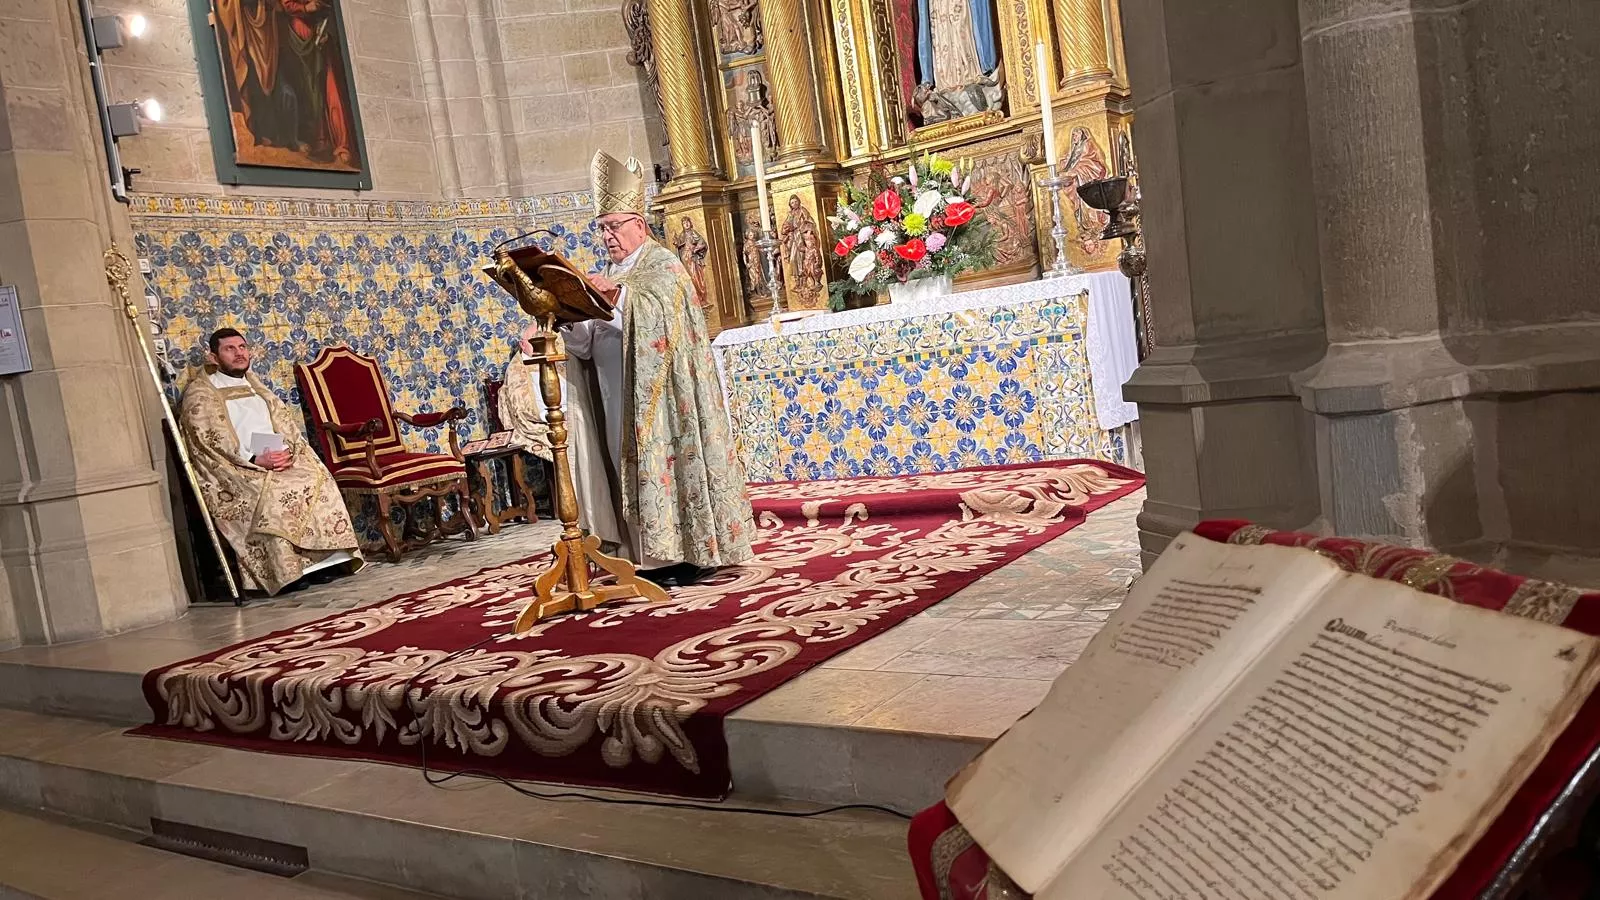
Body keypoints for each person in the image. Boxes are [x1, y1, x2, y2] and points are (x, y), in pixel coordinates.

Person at [530, 151, 755, 587]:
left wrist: (618, 299)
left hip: (663, 399)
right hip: (616, 395)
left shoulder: (664, 265)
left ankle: (681, 556)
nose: (608, 236)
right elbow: (587, 342)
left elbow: (664, 322)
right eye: (602, 228)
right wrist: (565, 317)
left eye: (615, 226)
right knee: (622, 469)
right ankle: (638, 555)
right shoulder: (609, 272)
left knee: (661, 465)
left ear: (639, 223)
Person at [179, 328, 362, 595]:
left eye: (242, 347)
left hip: (276, 459)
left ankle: (324, 562)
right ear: (213, 356)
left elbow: (286, 427)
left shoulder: (257, 386)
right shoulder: (200, 394)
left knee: (317, 479)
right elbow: (208, 443)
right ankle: (287, 572)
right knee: (277, 494)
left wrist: (287, 453)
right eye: (230, 349)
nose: (239, 353)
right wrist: (254, 460)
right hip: (239, 469)